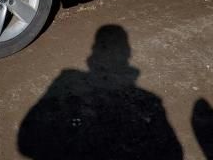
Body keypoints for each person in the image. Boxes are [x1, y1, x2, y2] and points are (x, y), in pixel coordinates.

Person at [18, 24, 183, 159]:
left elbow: (26, 142)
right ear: (129, 54)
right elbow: (174, 153)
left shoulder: (68, 78)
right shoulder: (150, 100)